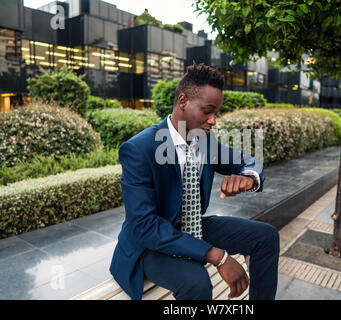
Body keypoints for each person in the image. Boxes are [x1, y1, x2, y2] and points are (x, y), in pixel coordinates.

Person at [110, 63, 280, 300]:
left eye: (216, 113)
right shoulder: (140, 149)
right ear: (183, 101)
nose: (213, 121)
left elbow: (250, 161)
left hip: (192, 228)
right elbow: (143, 225)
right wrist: (218, 257)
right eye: (207, 111)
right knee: (197, 282)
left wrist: (249, 179)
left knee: (267, 237)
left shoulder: (206, 142)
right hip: (148, 244)